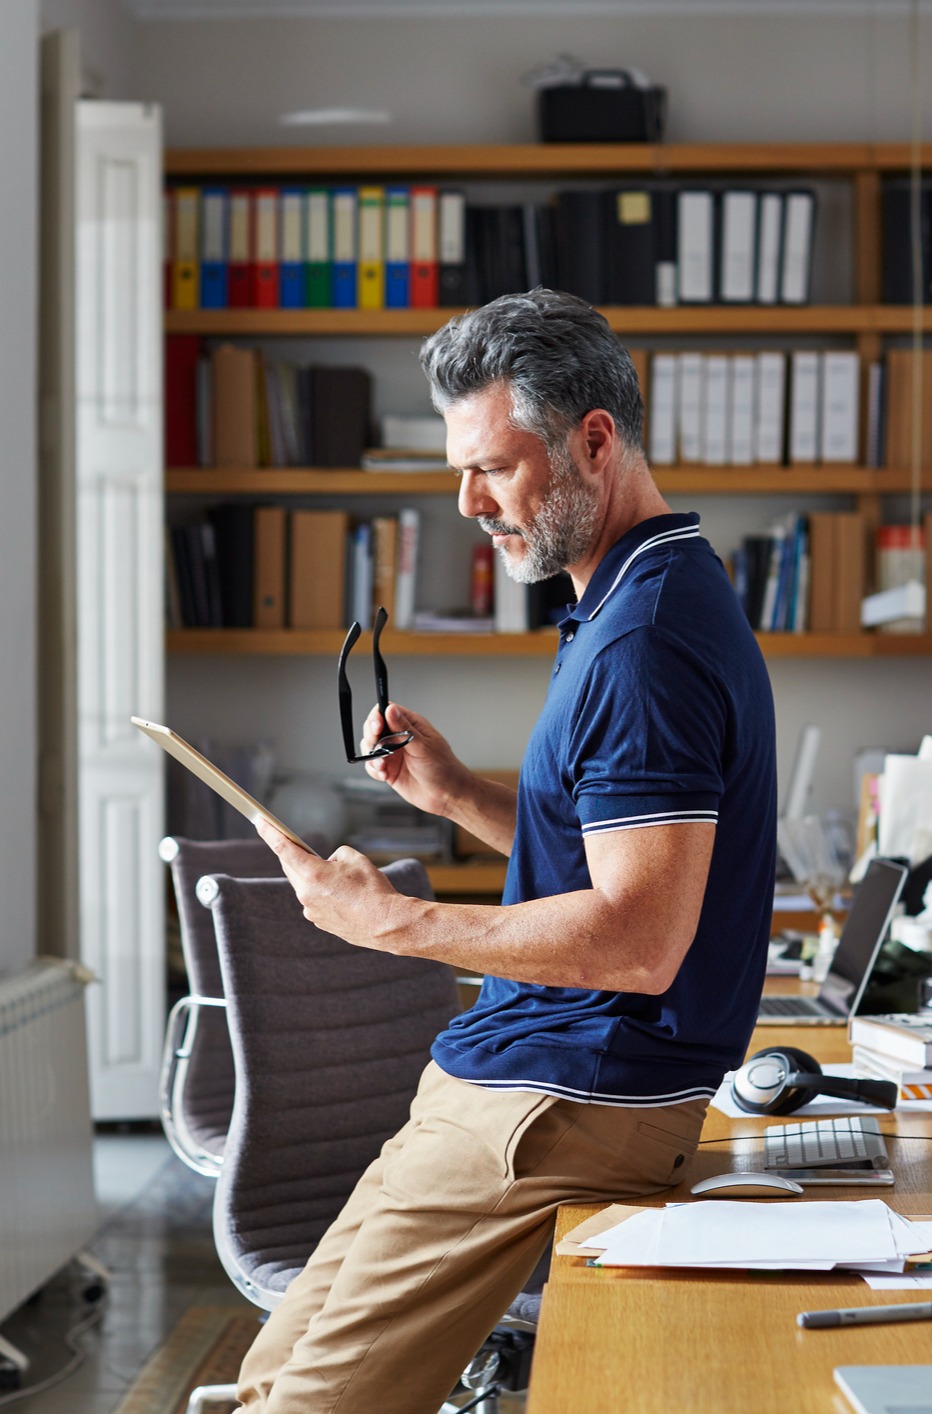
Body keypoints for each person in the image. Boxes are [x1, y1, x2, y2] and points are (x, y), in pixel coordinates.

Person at [237, 288, 777, 1414]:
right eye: (456, 468)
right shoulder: (626, 592)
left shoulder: (643, 641)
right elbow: (607, 853)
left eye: (492, 467)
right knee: (267, 1376)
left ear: (592, 440)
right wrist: (457, 795)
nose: (467, 503)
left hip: (566, 1091)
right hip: (517, 1069)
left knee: (309, 1406)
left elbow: (634, 940)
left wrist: (390, 922)